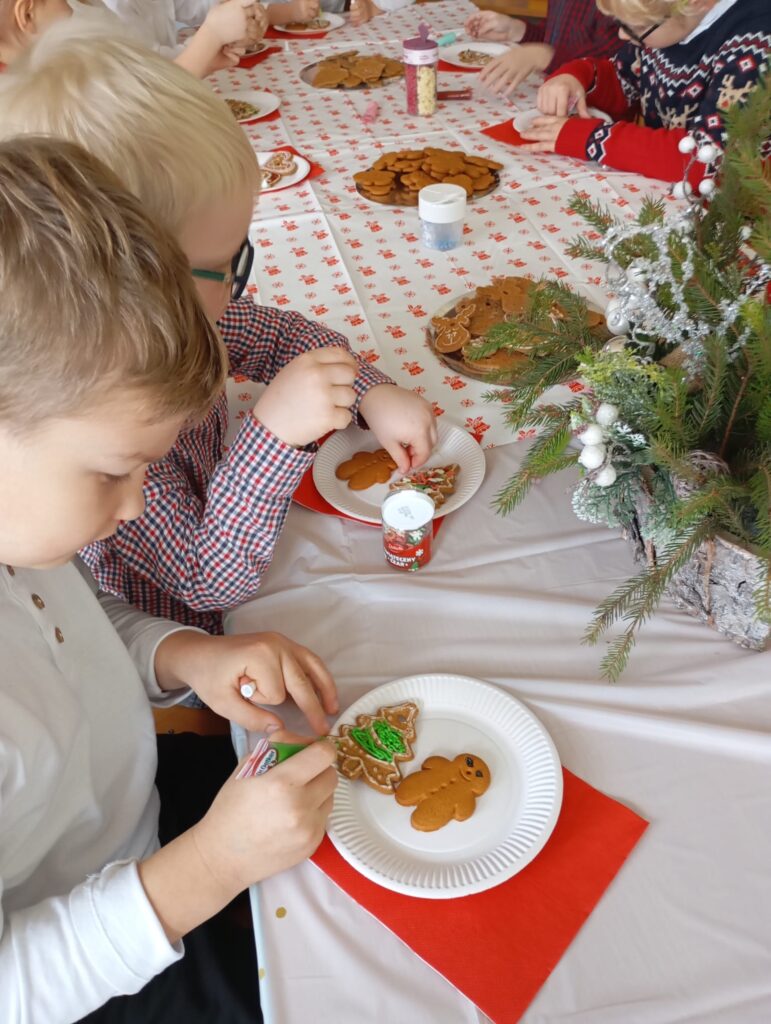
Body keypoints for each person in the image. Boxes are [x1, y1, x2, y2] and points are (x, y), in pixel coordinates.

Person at [0, 134, 339, 1024]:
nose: (138, 503)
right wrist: (213, 865)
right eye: (114, 472)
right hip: (99, 969)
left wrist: (185, 656)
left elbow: (77, 627)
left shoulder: (24, 535)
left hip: (138, 814)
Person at [0, 25, 438, 636]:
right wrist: (273, 435)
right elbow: (207, 580)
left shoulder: (187, 322)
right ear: (142, 273)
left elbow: (285, 337)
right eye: (227, 263)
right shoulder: (104, 420)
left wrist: (371, 391)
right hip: (179, 627)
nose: (237, 283)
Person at [522, 0, 770, 184]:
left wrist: (592, 139)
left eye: (635, 27)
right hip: (667, 192)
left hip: (737, 220)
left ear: (696, 3)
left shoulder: (757, 41)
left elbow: (707, 162)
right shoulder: (669, 21)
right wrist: (579, 76)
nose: (621, 34)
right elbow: (626, 80)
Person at [0, 0, 265, 77]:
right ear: (27, 14)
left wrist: (207, 57)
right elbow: (149, 97)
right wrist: (211, 36)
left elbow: (144, 65)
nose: (69, 5)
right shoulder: (68, 59)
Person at [465, 2, 619, 97]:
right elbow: (559, 36)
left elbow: (615, 70)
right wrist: (518, 30)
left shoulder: (620, 6)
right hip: (551, 95)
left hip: (595, 119)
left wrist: (545, 56)